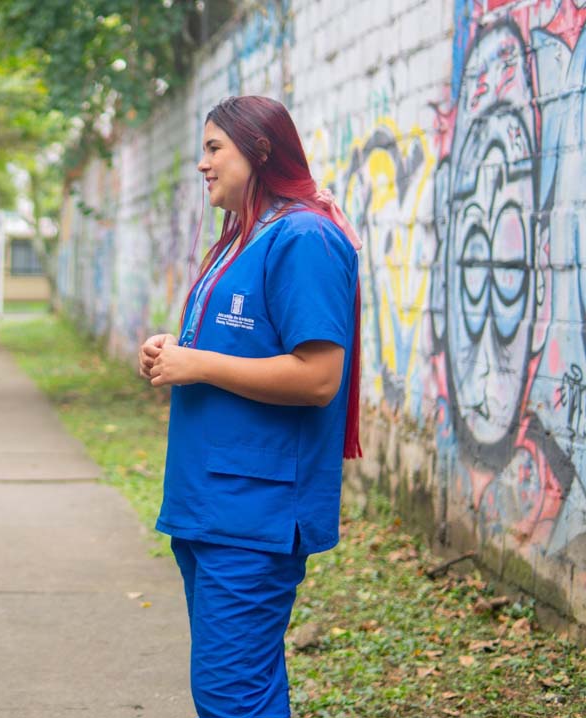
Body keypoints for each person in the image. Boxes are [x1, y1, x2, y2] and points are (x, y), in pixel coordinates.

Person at [137, 96, 362, 717]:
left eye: (215, 148)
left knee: (230, 695)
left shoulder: (305, 236)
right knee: (241, 688)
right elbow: (238, 345)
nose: (202, 163)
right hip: (210, 505)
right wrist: (172, 351)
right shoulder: (242, 238)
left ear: (260, 151)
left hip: (255, 513)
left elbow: (319, 376)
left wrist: (198, 364)